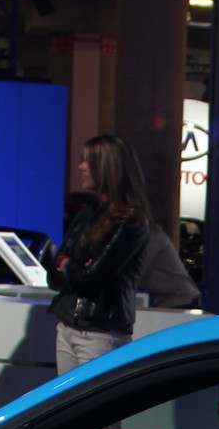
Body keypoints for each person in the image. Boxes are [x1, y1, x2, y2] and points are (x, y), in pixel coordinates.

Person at [50, 133, 153, 373]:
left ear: (107, 167)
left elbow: (91, 280)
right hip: (67, 326)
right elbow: (54, 270)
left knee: (93, 407)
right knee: (66, 406)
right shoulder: (87, 213)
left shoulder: (130, 220)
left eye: (88, 161)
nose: (81, 167)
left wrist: (69, 266)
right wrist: (71, 266)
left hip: (100, 333)